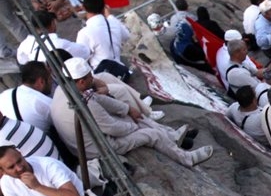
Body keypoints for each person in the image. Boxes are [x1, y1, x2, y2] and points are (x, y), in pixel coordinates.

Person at [55, 58, 212, 167]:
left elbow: (99, 99)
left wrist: (128, 109)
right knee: (151, 134)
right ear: (81, 81)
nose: (93, 78)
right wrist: (134, 125)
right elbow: (112, 128)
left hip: (92, 139)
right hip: (100, 149)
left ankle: (171, 136)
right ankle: (186, 159)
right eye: (90, 76)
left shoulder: (65, 90)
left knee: (132, 115)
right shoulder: (85, 103)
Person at [76, 0, 131, 79]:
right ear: (104, 7)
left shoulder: (84, 32)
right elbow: (126, 36)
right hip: (120, 72)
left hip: (102, 77)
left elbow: (80, 59)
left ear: (84, 8)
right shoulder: (113, 22)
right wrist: (109, 15)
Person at [16, 10, 88, 65]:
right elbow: (85, 52)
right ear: (53, 23)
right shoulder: (60, 44)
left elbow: (22, 61)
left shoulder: (24, 44)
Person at [2, 61, 55, 134]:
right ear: (41, 82)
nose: (51, 82)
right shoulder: (44, 102)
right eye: (50, 79)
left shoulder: (5, 94)